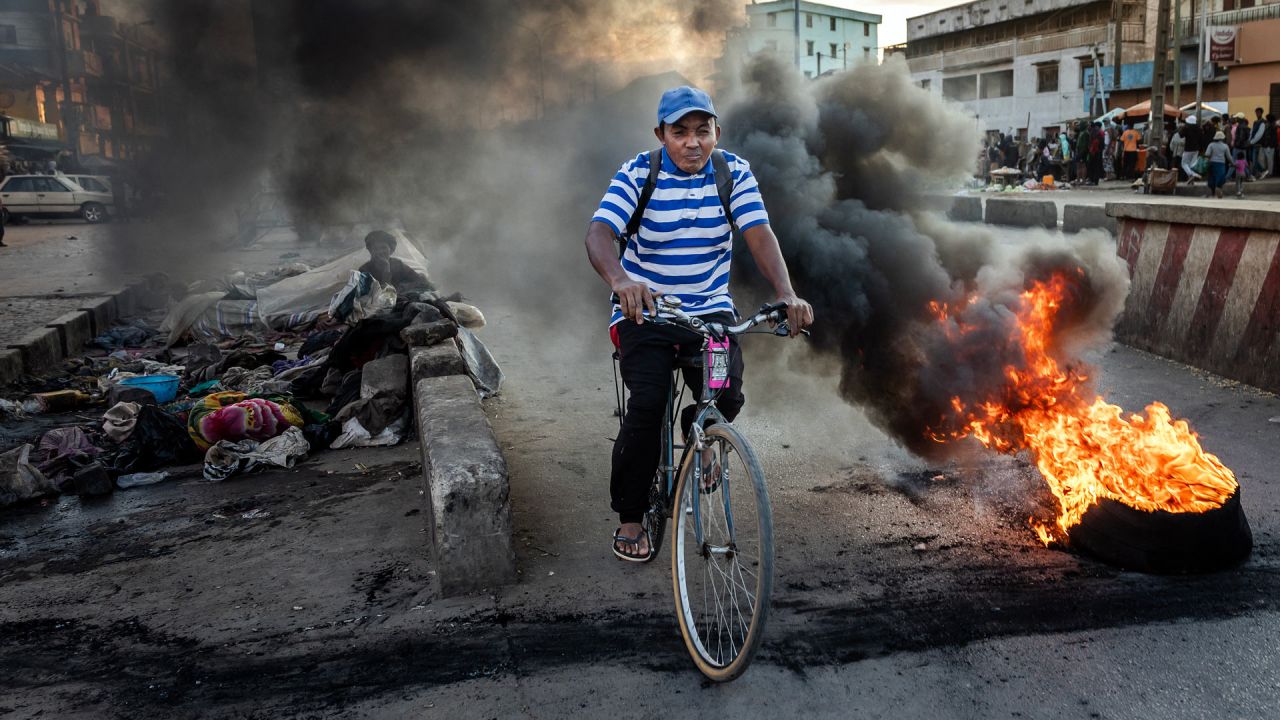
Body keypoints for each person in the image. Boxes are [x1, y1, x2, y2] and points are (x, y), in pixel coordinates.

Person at [584, 85, 814, 562]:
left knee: (725, 396)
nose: (693, 142)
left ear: (716, 133)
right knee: (647, 406)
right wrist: (622, 280)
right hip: (645, 310)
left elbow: (758, 233)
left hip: (708, 311)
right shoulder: (638, 173)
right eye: (680, 132)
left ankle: (701, 428)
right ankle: (631, 517)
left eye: (702, 131)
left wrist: (786, 292)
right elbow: (600, 232)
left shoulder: (732, 173)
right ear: (661, 135)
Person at [358, 230, 430, 292]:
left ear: (391, 249)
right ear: (370, 251)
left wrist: (403, 287)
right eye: (375, 249)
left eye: (383, 247)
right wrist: (386, 270)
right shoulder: (364, 270)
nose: (380, 252)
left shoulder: (397, 264)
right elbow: (382, 294)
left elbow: (420, 281)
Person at [1204, 130, 1231, 199]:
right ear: (1222, 138)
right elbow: (1229, 157)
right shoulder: (1225, 146)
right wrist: (1233, 163)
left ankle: (1211, 193)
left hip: (1212, 163)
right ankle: (1218, 190)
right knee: (1220, 178)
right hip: (1221, 164)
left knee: (1211, 178)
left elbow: (1207, 154)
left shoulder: (1211, 145)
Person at [1181, 115, 1204, 185]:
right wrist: (1201, 149)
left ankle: (1192, 174)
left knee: (1184, 164)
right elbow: (1201, 139)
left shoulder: (1187, 128)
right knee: (1191, 165)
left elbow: (1180, 135)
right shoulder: (1199, 129)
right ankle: (1191, 181)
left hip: (1188, 148)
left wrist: (1183, 127)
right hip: (1196, 149)